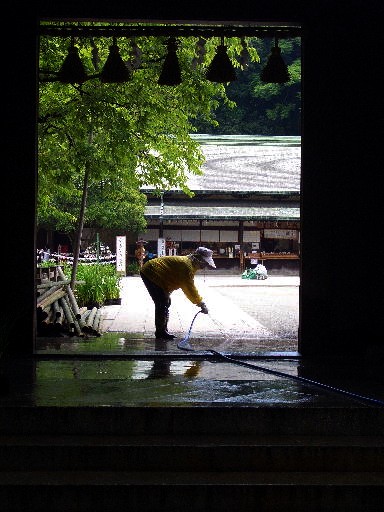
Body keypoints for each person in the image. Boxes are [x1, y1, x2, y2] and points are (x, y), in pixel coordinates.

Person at [140, 246, 216, 339]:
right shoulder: (186, 266)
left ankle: (163, 330)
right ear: (198, 259)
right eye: (205, 263)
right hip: (151, 271)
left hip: (160, 276)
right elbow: (189, 288)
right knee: (162, 303)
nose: (205, 266)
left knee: (166, 302)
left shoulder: (190, 264)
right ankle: (161, 332)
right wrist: (201, 303)